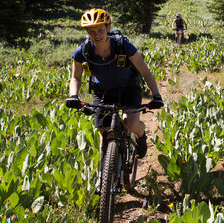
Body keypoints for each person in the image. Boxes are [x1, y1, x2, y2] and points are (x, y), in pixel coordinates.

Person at [65, 8, 163, 158]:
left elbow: (145, 71)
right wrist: (73, 96)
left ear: (108, 28)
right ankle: (106, 175)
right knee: (104, 133)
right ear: (87, 33)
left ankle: (141, 136)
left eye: (100, 30)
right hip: (103, 91)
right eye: (91, 31)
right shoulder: (83, 51)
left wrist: (156, 95)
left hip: (128, 88)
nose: (96, 35)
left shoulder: (123, 46)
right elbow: (76, 77)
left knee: (130, 123)